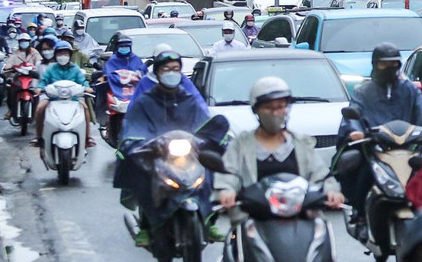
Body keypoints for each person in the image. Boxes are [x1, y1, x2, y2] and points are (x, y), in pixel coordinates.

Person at [112, 47, 220, 246]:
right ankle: (145, 225)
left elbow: (202, 120)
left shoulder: (188, 99)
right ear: (158, 73)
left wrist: (211, 137)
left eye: (175, 69)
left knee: (208, 172)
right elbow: (134, 124)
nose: (171, 73)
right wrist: (136, 142)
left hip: (186, 152)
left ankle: (209, 220)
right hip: (157, 151)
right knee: (144, 176)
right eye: (166, 69)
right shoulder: (145, 101)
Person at [337, 43, 422, 235]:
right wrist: (357, 131)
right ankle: (360, 214)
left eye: (394, 64)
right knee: (362, 169)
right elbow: (353, 115)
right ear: (374, 65)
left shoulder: (409, 90)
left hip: (408, 147)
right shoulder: (364, 91)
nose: (389, 68)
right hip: (375, 147)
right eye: (383, 64)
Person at [215, 76, 344, 210]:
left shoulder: (301, 143)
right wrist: (226, 191)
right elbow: (228, 174)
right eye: (268, 108)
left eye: (280, 107)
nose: (275, 113)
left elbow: (320, 174)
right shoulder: (241, 145)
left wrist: (331, 191)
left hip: (300, 216)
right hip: (254, 217)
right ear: (256, 110)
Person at [34, 40, 95, 148]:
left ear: (70, 55)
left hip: (73, 99)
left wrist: (87, 87)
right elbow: (44, 80)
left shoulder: (75, 69)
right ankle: (39, 137)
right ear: (56, 55)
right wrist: (39, 88)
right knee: (40, 108)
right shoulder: (51, 68)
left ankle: (87, 137)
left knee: (85, 108)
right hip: (53, 99)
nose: (63, 56)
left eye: (65, 54)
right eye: (60, 54)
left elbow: (82, 81)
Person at [102, 34, 146, 118]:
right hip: (116, 93)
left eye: (127, 46)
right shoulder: (112, 61)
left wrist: (140, 73)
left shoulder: (136, 59)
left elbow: (142, 73)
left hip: (135, 93)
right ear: (117, 47)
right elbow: (107, 73)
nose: (124, 48)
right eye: (122, 46)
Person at [2, 33, 40, 121]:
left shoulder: (34, 52)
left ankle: (37, 110)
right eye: (22, 41)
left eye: (26, 41)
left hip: (31, 77)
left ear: (29, 42)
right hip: (18, 76)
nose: (24, 43)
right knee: (10, 90)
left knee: (37, 91)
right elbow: (9, 63)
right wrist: (8, 67)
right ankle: (11, 110)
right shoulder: (16, 53)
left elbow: (39, 62)